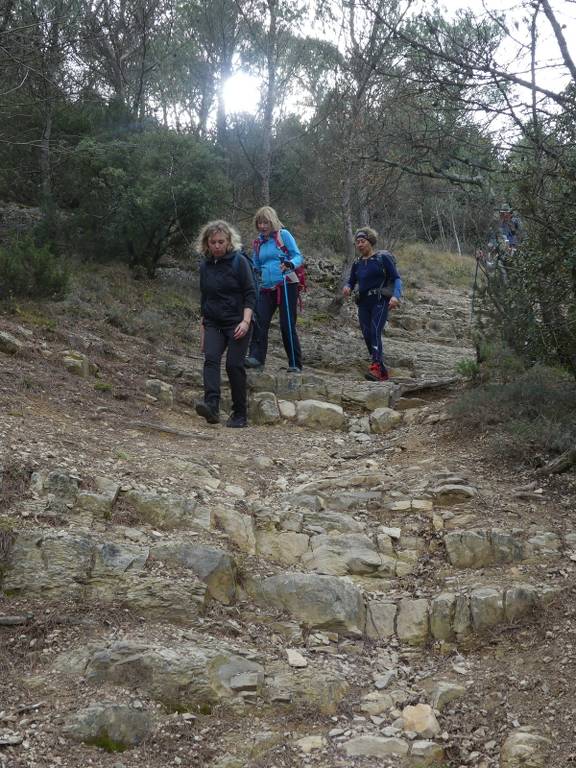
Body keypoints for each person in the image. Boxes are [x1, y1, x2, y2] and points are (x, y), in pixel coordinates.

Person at [195, 220, 256, 428]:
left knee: (234, 365)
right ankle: (211, 406)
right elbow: (205, 300)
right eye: (213, 242)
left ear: (229, 241)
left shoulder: (240, 262)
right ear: (207, 243)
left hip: (238, 322)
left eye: (221, 241)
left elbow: (250, 294)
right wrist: (203, 332)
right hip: (213, 322)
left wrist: (246, 322)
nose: (217, 246)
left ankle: (240, 413)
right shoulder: (205, 266)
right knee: (210, 359)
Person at [244, 206, 304, 372]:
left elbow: (298, 255)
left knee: (287, 324)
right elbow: (256, 265)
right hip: (266, 287)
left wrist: (291, 263)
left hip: (286, 284)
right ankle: (256, 357)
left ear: (272, 222)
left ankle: (295, 363)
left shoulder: (283, 235)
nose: (263, 226)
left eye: (266, 222)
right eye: (260, 223)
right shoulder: (258, 242)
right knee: (260, 322)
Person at [342, 227, 402, 382]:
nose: (360, 245)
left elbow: (396, 278)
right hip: (363, 303)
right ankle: (381, 369)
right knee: (367, 334)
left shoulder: (382, 258)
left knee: (375, 331)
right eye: (357, 242)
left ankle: (376, 367)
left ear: (370, 242)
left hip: (380, 301)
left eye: (363, 241)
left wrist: (396, 296)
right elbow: (351, 280)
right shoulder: (357, 263)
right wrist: (348, 287)